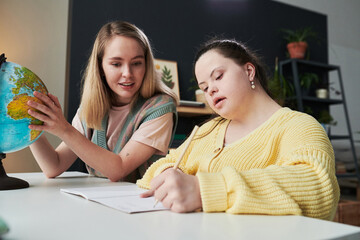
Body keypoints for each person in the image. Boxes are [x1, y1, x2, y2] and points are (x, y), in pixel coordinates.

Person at [138, 38, 339, 220]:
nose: (211, 90)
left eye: (218, 76)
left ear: (249, 71)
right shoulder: (207, 131)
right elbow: (158, 169)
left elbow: (317, 188)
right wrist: (170, 177)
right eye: (205, 87)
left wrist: (204, 190)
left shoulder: (299, 125)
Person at [27, 21, 178, 182]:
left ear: (146, 65)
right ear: (100, 67)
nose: (127, 73)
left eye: (136, 63)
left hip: (140, 204)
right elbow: (54, 166)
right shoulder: (90, 109)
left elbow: (119, 169)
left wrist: (64, 129)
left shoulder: (160, 107)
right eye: (116, 64)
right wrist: (29, 123)